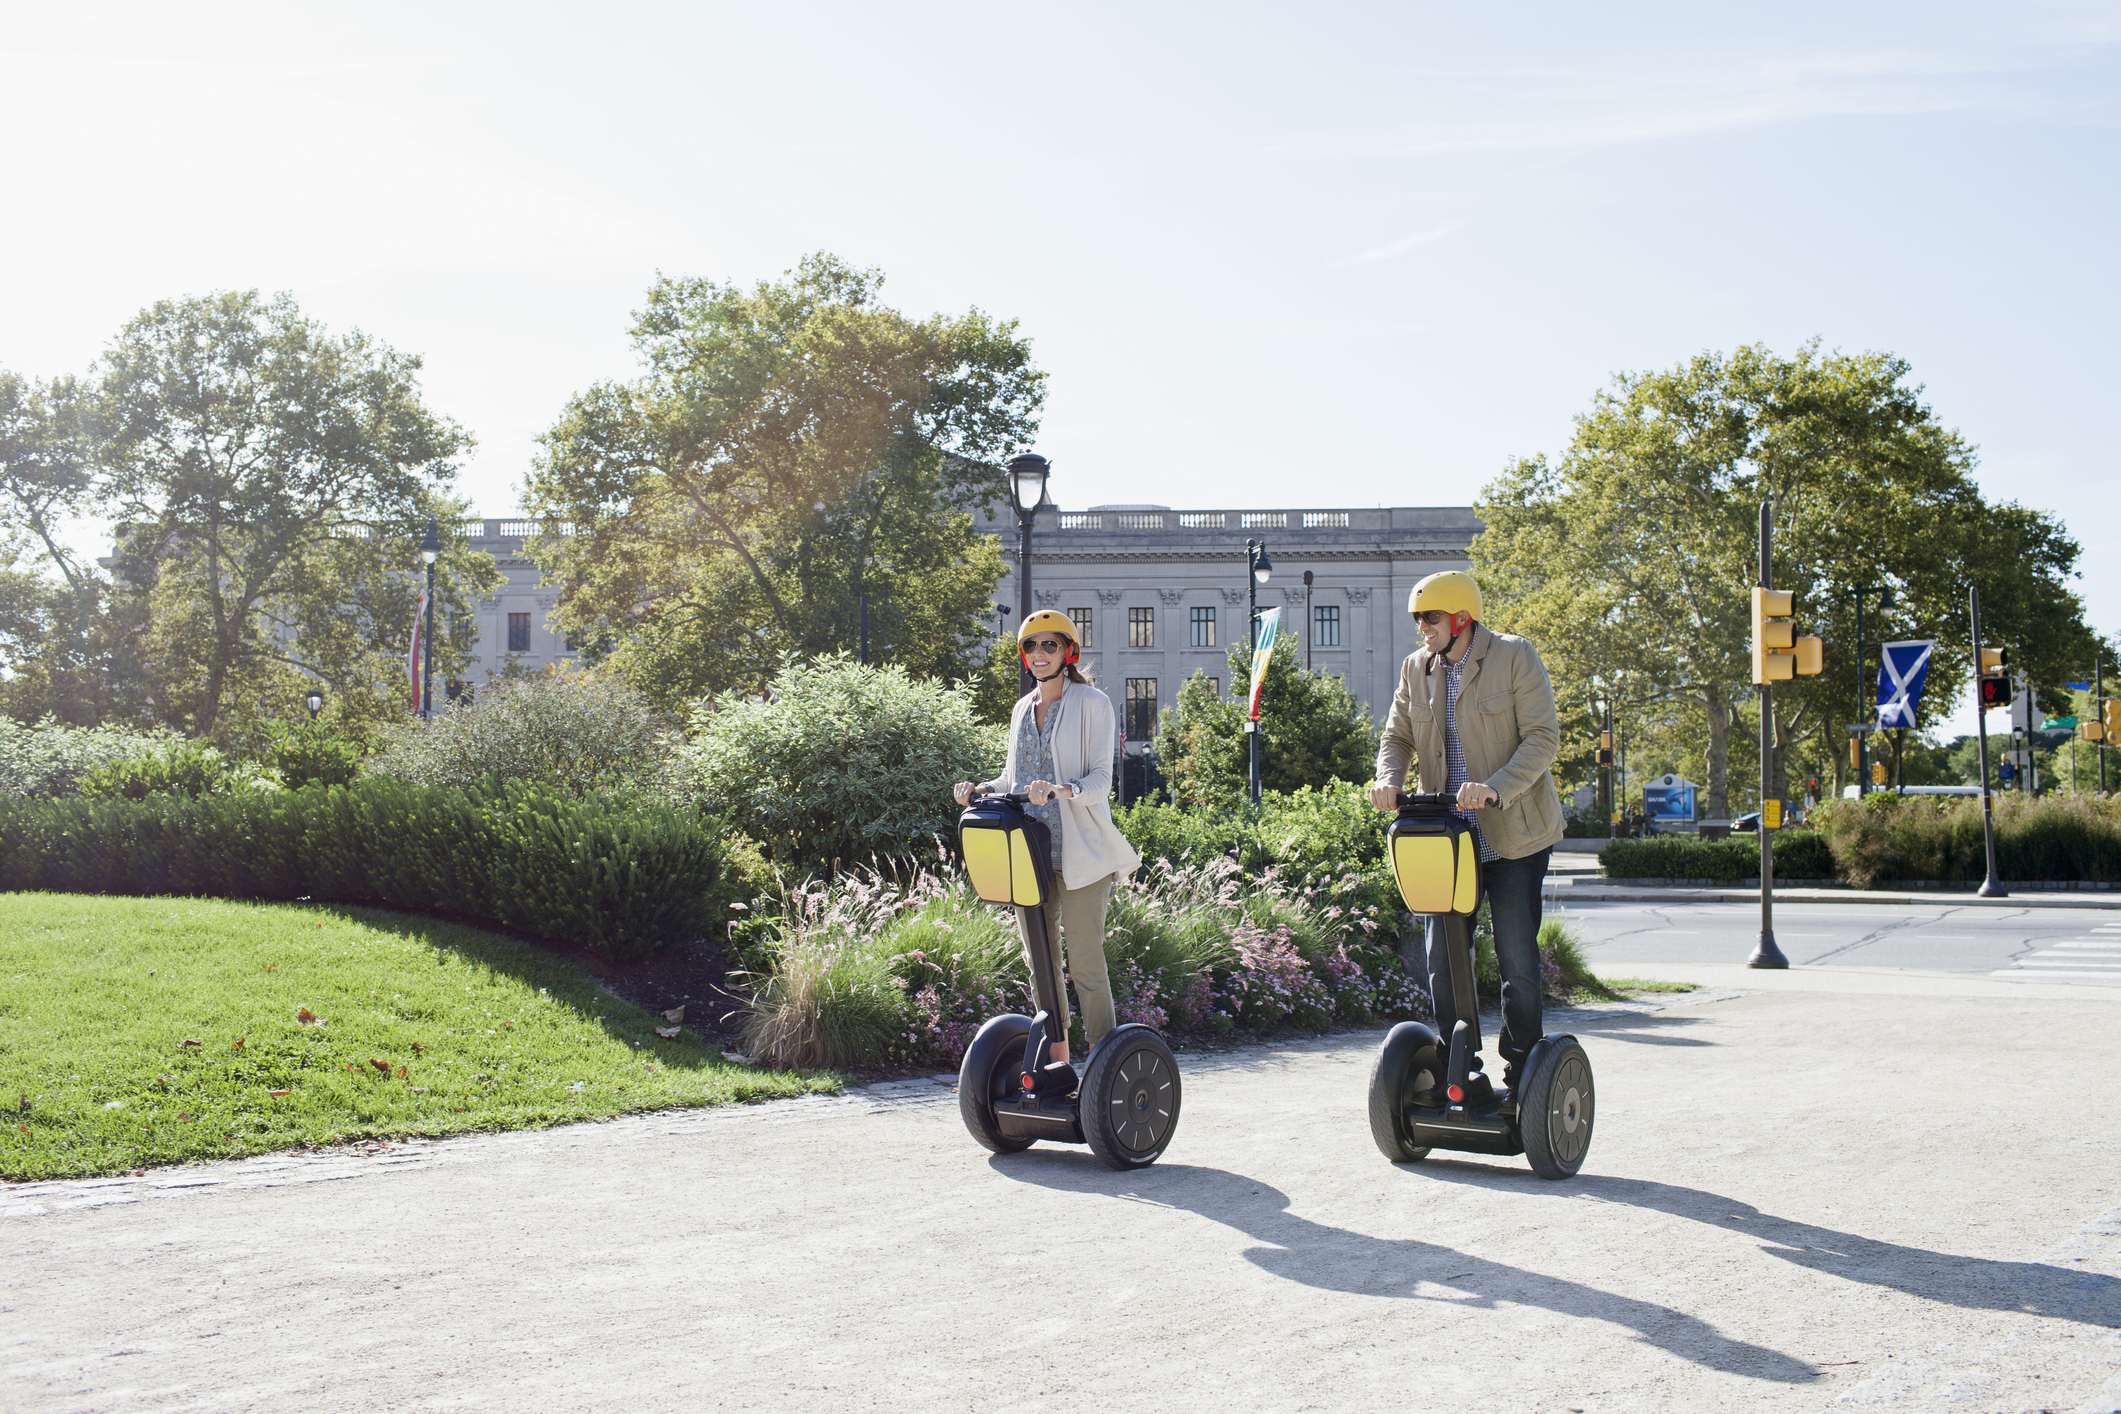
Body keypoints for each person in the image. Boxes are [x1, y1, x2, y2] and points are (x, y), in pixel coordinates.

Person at [1370, 570, 1562, 1097]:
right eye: (1418, 619)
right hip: (1447, 838)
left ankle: (1525, 1070)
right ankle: (1462, 1069)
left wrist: (1496, 787)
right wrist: (1389, 779)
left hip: (1513, 836)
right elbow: (1397, 736)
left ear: (1460, 618)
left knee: (1516, 959)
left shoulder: (1514, 657)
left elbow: (1543, 737)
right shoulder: (1416, 670)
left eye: (1430, 617)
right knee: (1442, 961)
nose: (1422, 628)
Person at [954, 610, 1141, 1092]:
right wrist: (979, 788)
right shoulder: (1022, 708)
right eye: (1031, 647)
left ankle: (1106, 1071)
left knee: (1084, 962)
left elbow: (1102, 779)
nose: (1039, 654)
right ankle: (1058, 1066)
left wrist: (1062, 790)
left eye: (1049, 646)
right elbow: (1013, 778)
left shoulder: (1092, 703)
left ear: (1068, 652)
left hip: (1080, 854)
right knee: (1040, 964)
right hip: (1029, 854)